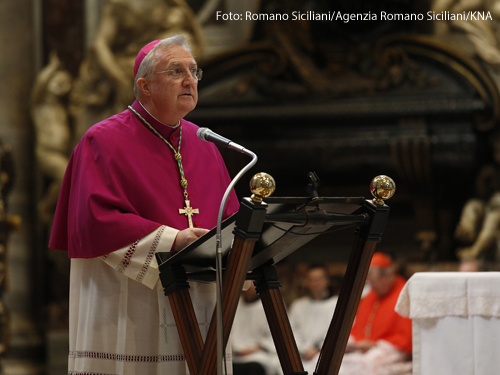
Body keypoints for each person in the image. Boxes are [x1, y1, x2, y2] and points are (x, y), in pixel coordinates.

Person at [49, 35, 239, 374]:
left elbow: (231, 221)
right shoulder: (102, 140)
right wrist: (173, 240)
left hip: (201, 302)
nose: (189, 79)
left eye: (193, 71)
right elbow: (94, 222)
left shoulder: (203, 143)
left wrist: (244, 260)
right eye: (176, 71)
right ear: (145, 85)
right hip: (129, 302)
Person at [339, 252, 412, 375]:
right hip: (367, 349)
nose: (372, 287)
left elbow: (407, 337)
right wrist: (355, 343)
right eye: (370, 282)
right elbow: (358, 329)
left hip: (395, 349)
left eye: (374, 281)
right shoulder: (372, 295)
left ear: (388, 275)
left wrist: (376, 344)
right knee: (331, 361)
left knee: (368, 363)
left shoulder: (404, 295)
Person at [288, 264, 338, 374]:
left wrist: (319, 350)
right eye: (311, 279)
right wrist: (303, 349)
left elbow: (339, 333)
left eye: (319, 279)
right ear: (306, 282)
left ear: (327, 280)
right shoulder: (298, 305)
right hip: (300, 355)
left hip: (327, 355)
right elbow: (291, 332)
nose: (316, 283)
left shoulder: (338, 304)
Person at [231, 282, 281, 375]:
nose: (249, 286)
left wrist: (256, 348)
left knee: (254, 368)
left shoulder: (269, 305)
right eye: (246, 282)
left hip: (257, 354)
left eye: (252, 282)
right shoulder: (234, 304)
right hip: (235, 355)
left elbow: (276, 336)